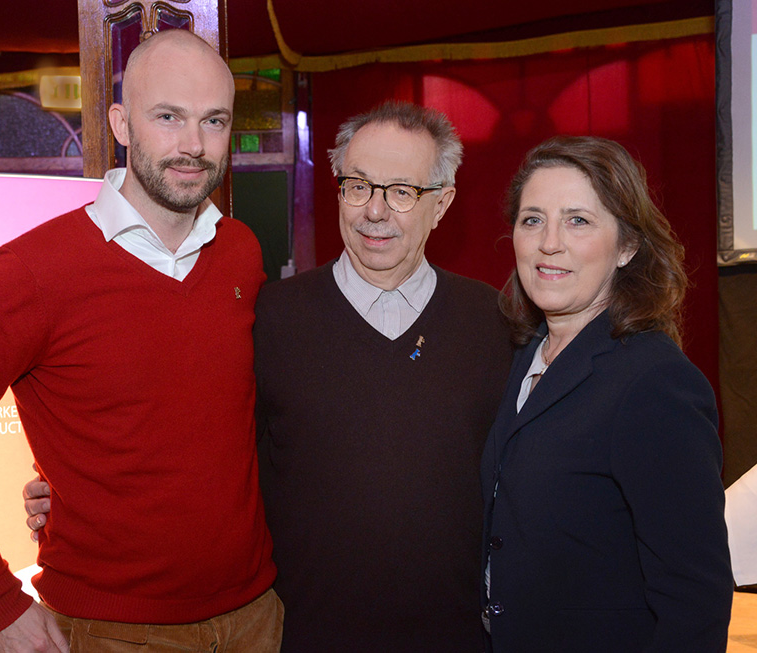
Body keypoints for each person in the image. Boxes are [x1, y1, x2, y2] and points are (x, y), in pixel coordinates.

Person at [27, 101, 512, 650]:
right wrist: (73, 490)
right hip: (298, 636)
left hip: (456, 637)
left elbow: (527, 484)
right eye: (358, 185)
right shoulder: (268, 318)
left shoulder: (495, 325)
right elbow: (197, 449)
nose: (375, 211)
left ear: (442, 203)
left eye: (402, 192)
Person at [0, 29, 281, 653]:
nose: (194, 145)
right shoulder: (35, 270)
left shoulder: (240, 252)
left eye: (214, 121)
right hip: (112, 633)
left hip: (257, 617)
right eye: (168, 117)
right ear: (121, 124)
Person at [481, 136, 733, 651]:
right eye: (532, 219)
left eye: (578, 220)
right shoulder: (519, 356)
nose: (549, 242)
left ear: (627, 247)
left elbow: (695, 596)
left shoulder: (654, 381)